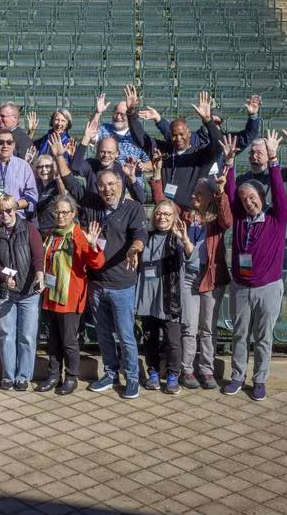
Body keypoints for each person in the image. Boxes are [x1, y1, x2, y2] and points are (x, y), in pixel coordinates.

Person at [54, 138, 148, 399]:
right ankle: (110, 373)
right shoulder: (93, 203)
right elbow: (70, 181)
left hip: (122, 284)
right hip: (96, 283)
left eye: (111, 184)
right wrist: (59, 155)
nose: (107, 189)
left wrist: (135, 249)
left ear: (120, 184)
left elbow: (140, 234)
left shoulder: (133, 208)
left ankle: (132, 378)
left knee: (126, 335)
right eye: (102, 185)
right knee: (104, 333)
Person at [150, 151, 232, 390]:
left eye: (199, 193)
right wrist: (157, 174)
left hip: (211, 277)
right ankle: (187, 370)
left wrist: (221, 192)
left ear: (210, 197)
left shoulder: (216, 219)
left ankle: (206, 370)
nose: (194, 195)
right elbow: (162, 201)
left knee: (208, 328)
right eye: (194, 192)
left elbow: (228, 219)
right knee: (189, 326)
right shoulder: (185, 214)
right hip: (187, 277)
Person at [221, 130, 287, 401]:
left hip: (268, 287)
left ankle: (259, 380)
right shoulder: (239, 218)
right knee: (239, 335)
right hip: (241, 287)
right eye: (244, 199)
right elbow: (229, 193)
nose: (248, 203)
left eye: (253, 198)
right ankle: (238, 376)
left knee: (263, 337)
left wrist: (273, 159)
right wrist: (229, 163)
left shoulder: (277, 218)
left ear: (262, 197)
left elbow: (279, 191)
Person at [36, 195, 104, 396]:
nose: (61, 216)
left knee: (69, 341)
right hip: (52, 294)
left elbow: (97, 263)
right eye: (57, 212)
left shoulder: (78, 234)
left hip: (70, 297)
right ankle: (54, 375)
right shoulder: (51, 234)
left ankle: (71, 377)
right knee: (53, 340)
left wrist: (92, 246)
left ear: (73, 213)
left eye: (65, 212)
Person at [0, 194, 44, 391]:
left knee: (27, 336)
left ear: (15, 209)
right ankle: (8, 375)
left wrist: (39, 275)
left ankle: (23, 376)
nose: (5, 214)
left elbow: (38, 257)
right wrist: (5, 277)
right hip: (5, 291)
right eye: (0, 210)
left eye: (9, 209)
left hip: (28, 291)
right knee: (6, 334)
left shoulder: (29, 229)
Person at [131, 91, 223, 209]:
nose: (178, 138)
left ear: (189, 133)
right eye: (174, 135)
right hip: (166, 212)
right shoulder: (164, 152)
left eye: (181, 134)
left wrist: (208, 120)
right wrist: (131, 113)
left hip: (190, 213)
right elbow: (141, 138)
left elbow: (219, 145)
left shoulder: (200, 154)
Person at [137, 201, 193, 394]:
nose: (162, 217)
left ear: (174, 217)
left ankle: (172, 375)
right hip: (148, 296)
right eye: (159, 213)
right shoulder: (146, 236)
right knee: (149, 338)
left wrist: (185, 239)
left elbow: (191, 255)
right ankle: (153, 373)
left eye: (167, 214)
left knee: (172, 340)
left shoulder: (177, 237)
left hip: (170, 297)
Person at [155, 94, 263, 169]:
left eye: (217, 122)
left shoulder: (227, 140)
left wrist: (253, 116)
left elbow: (249, 135)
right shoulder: (194, 138)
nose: (214, 124)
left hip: (219, 186)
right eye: (211, 121)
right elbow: (174, 134)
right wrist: (159, 119)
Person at [74, 101, 143, 203]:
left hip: (119, 207)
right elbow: (75, 167)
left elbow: (141, 199)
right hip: (93, 209)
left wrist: (132, 176)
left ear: (117, 154)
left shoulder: (122, 170)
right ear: (97, 151)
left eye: (110, 152)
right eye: (103, 152)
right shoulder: (91, 165)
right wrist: (86, 138)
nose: (106, 155)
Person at [235, 119, 287, 206]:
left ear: (269, 155)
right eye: (252, 152)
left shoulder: (282, 175)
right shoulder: (242, 180)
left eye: (259, 153)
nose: (253, 157)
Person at [95, 87, 151, 184]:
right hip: (105, 187)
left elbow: (153, 162)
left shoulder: (138, 135)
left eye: (122, 114)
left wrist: (143, 166)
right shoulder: (104, 129)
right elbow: (90, 135)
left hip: (131, 187)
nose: (118, 117)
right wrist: (97, 113)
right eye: (116, 113)